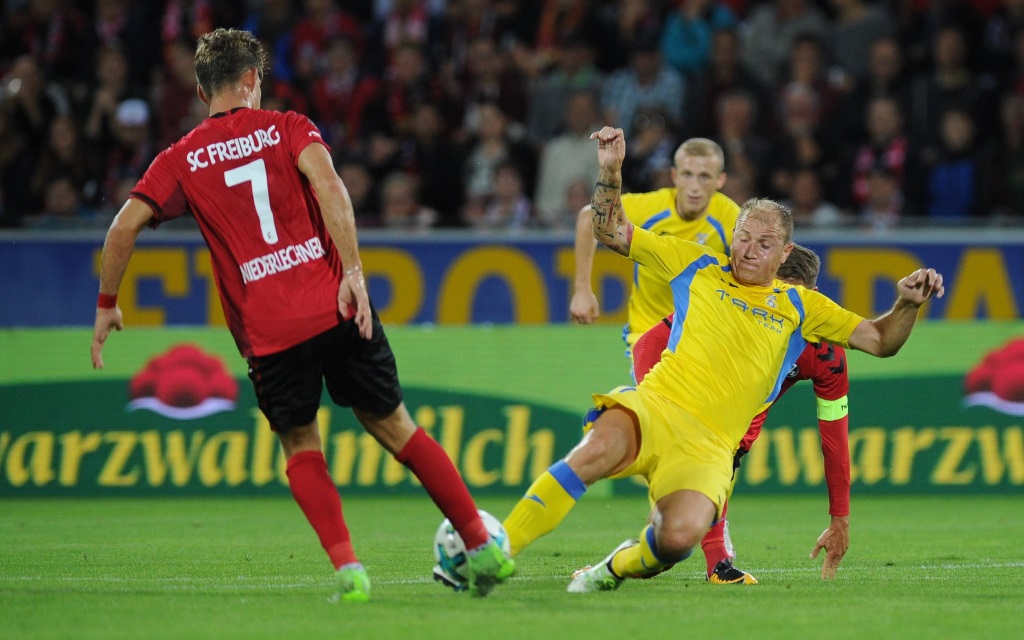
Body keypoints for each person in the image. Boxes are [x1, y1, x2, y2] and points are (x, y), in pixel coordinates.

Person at [89, 28, 514, 601]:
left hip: (269, 331)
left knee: (301, 445)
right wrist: (355, 274)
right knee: (397, 427)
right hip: (334, 302)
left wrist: (108, 305)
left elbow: (122, 228)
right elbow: (330, 185)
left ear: (199, 90)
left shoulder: (181, 158)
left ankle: (350, 572)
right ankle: (482, 547)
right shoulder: (289, 127)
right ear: (250, 79)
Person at [502, 125, 944, 593]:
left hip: (712, 444)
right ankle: (494, 549)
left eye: (764, 244)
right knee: (597, 448)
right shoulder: (697, 265)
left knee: (675, 540)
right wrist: (611, 171)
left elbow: (879, 340)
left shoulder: (802, 308)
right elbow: (609, 227)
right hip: (659, 404)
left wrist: (906, 306)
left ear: (785, 252)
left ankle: (613, 569)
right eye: (743, 238)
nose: (748, 251)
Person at [631, 244, 852, 583]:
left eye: (793, 293)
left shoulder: (825, 354)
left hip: (739, 422)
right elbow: (648, 343)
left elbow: (834, 441)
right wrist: (655, 406)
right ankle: (716, 562)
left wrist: (840, 519)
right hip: (689, 405)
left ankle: (696, 559)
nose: (780, 302)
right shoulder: (728, 308)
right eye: (776, 290)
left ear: (814, 296)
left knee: (672, 540)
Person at [569, 137, 739, 361]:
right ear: (674, 176)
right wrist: (582, 289)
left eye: (705, 176)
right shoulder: (651, 208)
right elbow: (586, 217)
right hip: (647, 333)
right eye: (687, 174)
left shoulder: (730, 217)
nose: (695, 187)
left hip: (701, 339)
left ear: (720, 180)